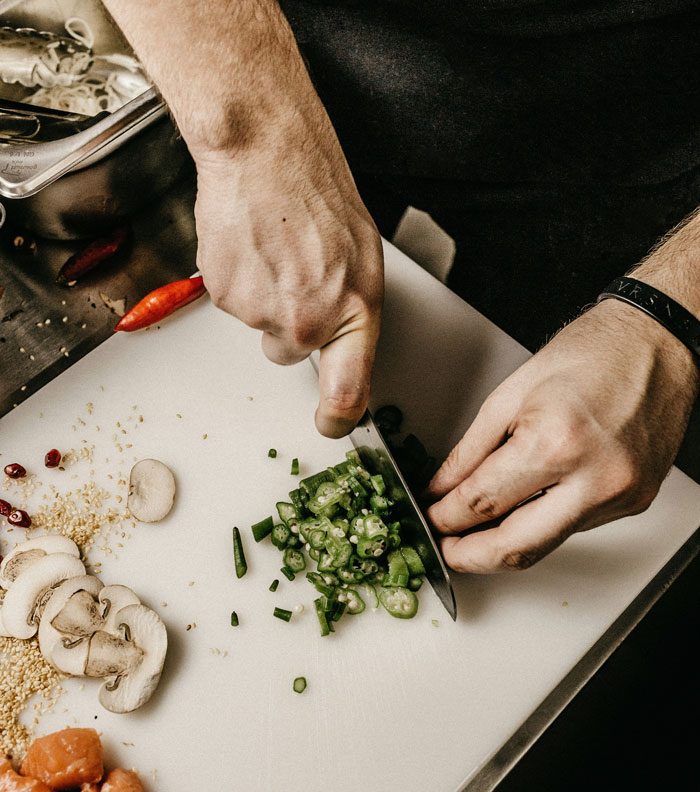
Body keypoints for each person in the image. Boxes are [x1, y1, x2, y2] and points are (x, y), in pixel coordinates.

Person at [102, 0, 700, 574]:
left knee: (553, 438)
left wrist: (669, 317)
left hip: (635, 134)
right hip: (278, 56)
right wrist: (248, 136)